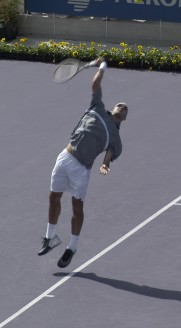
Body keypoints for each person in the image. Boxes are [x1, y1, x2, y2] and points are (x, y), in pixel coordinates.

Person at [38, 57, 128, 268]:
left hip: (81, 170)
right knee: (53, 197)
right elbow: (95, 85)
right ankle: (50, 237)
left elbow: (109, 156)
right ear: (113, 108)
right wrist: (102, 67)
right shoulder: (97, 107)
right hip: (65, 157)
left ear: (124, 119)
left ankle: (72, 246)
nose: (122, 107)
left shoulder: (116, 138)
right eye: (120, 105)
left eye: (125, 109)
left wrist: (105, 165)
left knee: (77, 207)